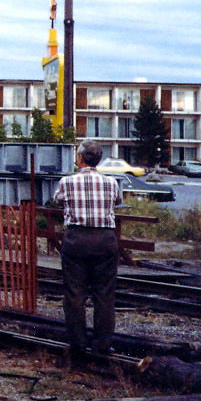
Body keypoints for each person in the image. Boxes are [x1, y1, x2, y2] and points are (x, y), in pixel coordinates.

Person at [53, 139, 122, 357]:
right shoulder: (112, 183)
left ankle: (77, 343)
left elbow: (57, 201)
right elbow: (117, 202)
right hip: (105, 240)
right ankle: (102, 344)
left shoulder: (67, 182)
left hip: (77, 240)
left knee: (75, 293)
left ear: (80, 158)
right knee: (104, 294)